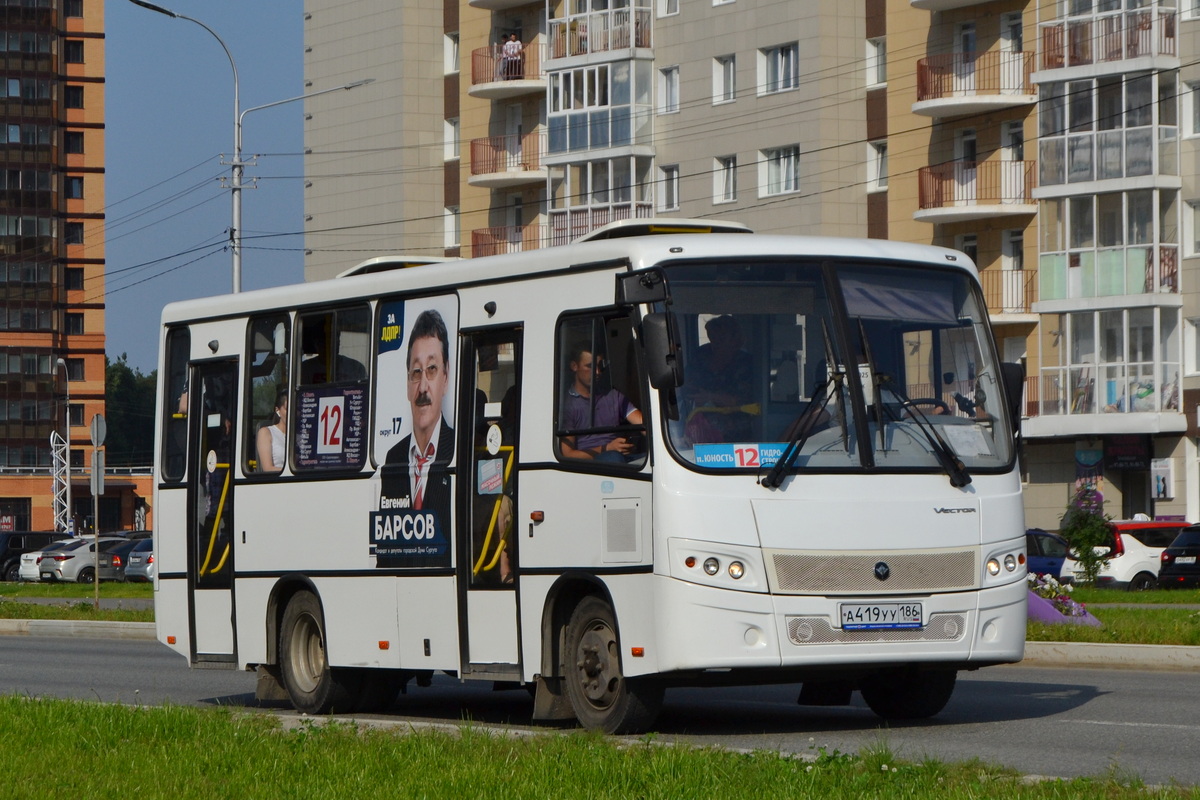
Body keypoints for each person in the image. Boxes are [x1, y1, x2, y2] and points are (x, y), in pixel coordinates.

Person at [382, 309, 455, 514]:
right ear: (407, 383)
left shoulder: (457, 448)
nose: (422, 387)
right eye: (416, 372)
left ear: (446, 378)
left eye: (431, 369)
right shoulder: (393, 459)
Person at [559, 341, 642, 462]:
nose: (597, 372)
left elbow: (641, 422)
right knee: (614, 458)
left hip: (619, 458)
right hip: (592, 466)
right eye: (590, 366)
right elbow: (567, 454)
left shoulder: (612, 395)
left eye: (599, 366)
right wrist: (607, 448)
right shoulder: (568, 405)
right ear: (574, 366)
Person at [685, 315, 757, 443]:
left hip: (737, 431)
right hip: (699, 427)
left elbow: (745, 400)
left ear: (736, 339)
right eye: (712, 338)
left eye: (721, 338)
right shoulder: (701, 354)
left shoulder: (746, 363)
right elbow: (686, 384)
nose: (715, 343)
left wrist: (710, 397)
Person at [255, 389, 288, 473]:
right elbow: (268, 468)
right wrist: (292, 471)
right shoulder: (266, 432)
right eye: (287, 408)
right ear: (278, 410)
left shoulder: (301, 435)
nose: (292, 412)